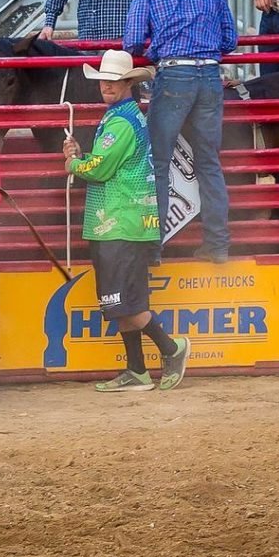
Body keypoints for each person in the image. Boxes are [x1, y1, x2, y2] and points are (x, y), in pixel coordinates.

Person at [63, 50, 190, 391]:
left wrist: (75, 163)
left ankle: (171, 348)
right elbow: (109, 163)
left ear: (128, 84)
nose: (106, 84)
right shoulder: (124, 117)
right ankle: (137, 369)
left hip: (118, 222)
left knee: (123, 303)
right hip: (121, 221)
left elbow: (101, 168)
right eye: (104, 79)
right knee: (120, 302)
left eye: (113, 80)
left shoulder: (119, 121)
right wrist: (84, 158)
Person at [123, 0, 237, 264]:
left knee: (158, 162)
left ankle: (153, 248)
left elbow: (131, 41)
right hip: (209, 77)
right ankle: (217, 244)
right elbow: (229, 41)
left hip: (174, 76)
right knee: (208, 163)